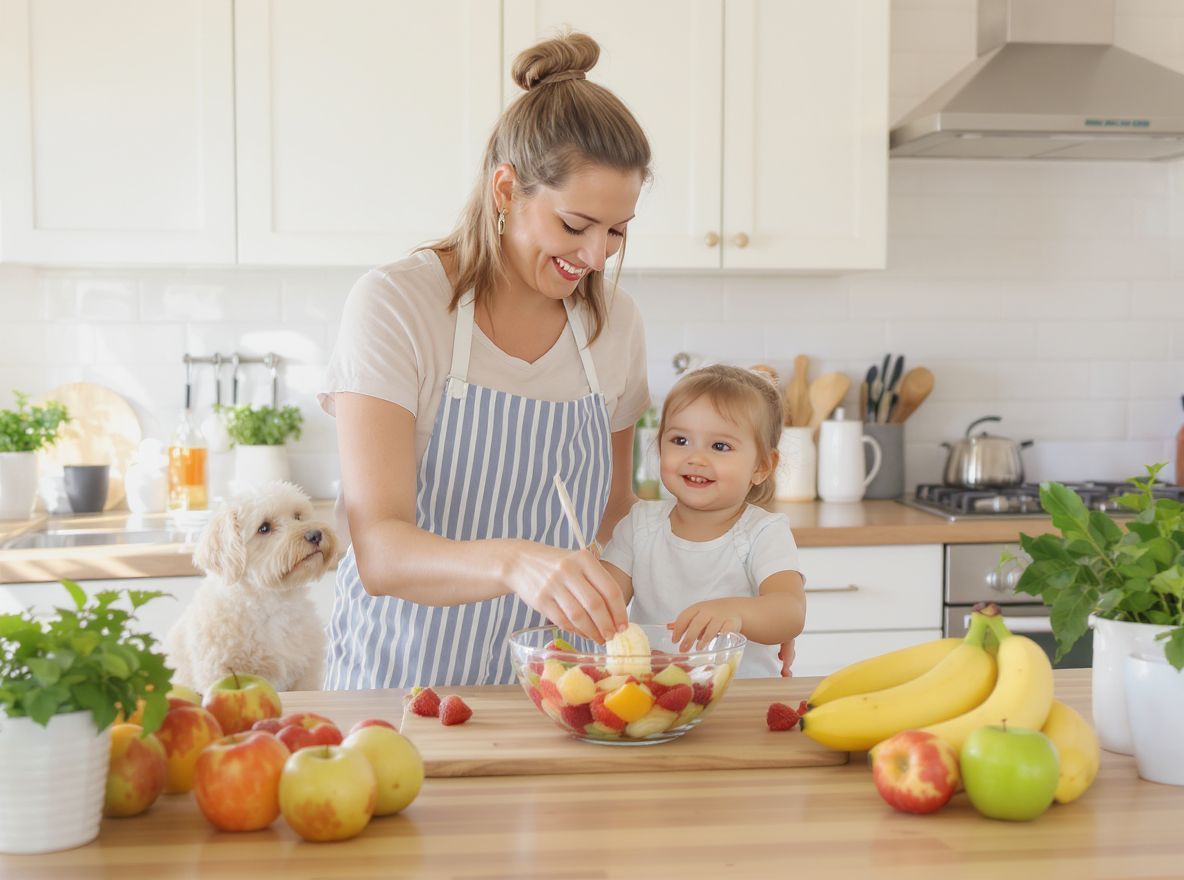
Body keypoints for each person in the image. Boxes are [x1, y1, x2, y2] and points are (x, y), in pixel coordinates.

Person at [317, 32, 653, 689]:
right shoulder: (398, 304)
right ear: (505, 189)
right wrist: (516, 564)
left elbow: (616, 510)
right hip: (401, 695)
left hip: (557, 693)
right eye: (575, 225)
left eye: (617, 231)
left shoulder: (616, 325)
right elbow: (380, 549)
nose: (595, 257)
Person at [600, 365, 807, 678]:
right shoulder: (638, 525)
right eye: (680, 440)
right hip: (653, 695)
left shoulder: (763, 532)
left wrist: (737, 612)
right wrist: (588, 584)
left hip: (742, 697)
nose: (695, 458)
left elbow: (790, 611)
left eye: (720, 446)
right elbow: (604, 602)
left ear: (762, 466)